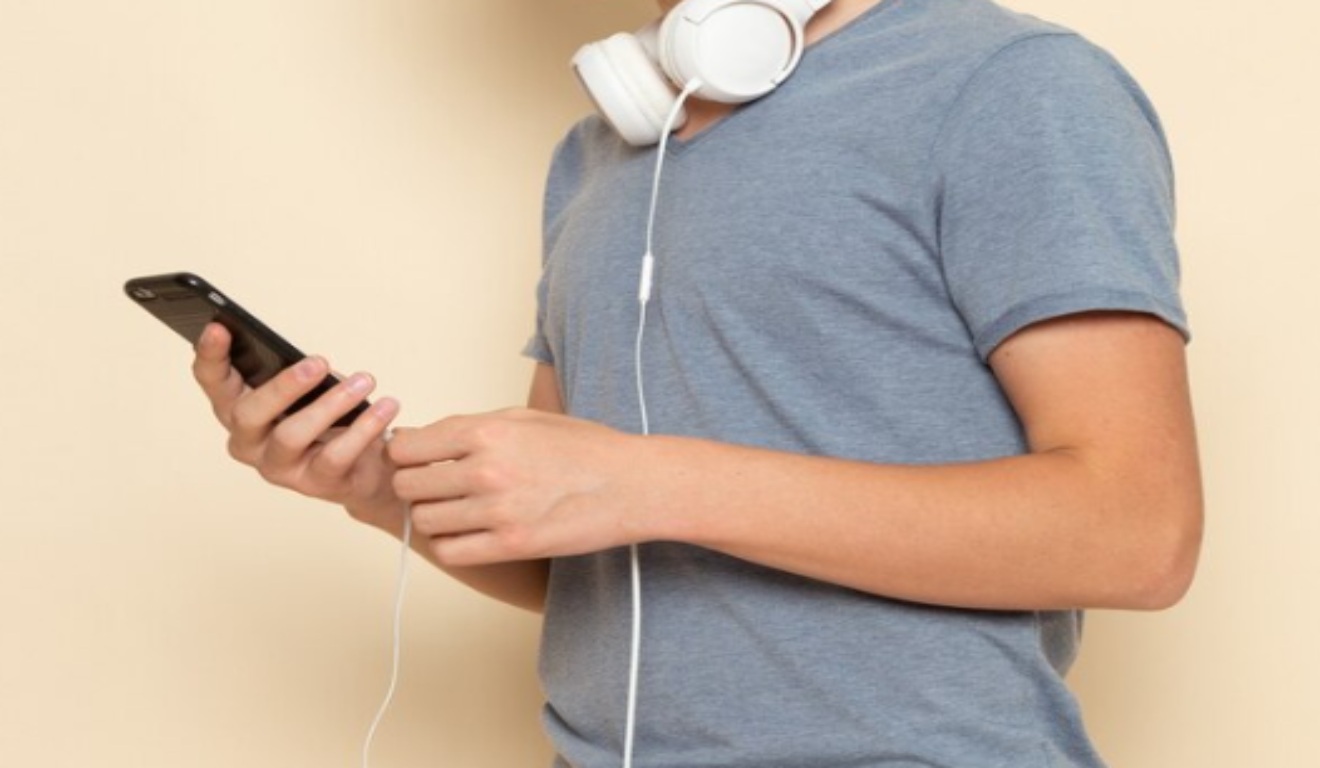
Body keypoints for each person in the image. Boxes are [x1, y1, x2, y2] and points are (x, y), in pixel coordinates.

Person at [191, 0, 1203, 764]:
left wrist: (647, 482)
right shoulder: (602, 150)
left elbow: (1138, 535)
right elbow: (579, 553)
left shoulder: (1014, 85)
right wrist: (370, 486)